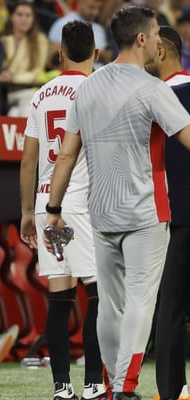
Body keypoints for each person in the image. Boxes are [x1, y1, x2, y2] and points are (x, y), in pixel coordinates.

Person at [44, 6, 190, 399]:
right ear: (142, 39)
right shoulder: (152, 89)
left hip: (101, 213)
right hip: (145, 213)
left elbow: (66, 154)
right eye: (155, 34)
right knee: (141, 301)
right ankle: (125, 387)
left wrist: (54, 210)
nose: (159, 41)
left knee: (110, 306)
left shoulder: (88, 86)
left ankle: (112, 388)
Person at [20, 21, 106, 400]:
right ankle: (94, 383)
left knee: (59, 297)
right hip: (80, 203)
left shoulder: (41, 95)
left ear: (59, 54)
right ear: (97, 54)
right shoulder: (97, 89)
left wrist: (27, 211)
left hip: (45, 203)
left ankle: (61, 387)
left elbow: (28, 159)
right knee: (98, 295)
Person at [145, 26, 190, 400]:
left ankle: (172, 392)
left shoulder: (153, 98)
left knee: (170, 309)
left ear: (161, 52)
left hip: (174, 216)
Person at [0, 1, 49, 117]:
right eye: (20, 15)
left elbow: (37, 70)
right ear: (11, 17)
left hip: (27, 89)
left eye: (28, 15)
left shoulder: (40, 40)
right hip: (3, 91)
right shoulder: (2, 39)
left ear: (33, 19)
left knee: (17, 112)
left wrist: (13, 78)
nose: (24, 19)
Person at [47, 0, 110, 70]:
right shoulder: (62, 24)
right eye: (91, 7)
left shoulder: (100, 29)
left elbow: (107, 58)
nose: (95, 12)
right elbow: (52, 58)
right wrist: (96, 54)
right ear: (80, 2)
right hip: (72, 74)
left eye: (99, 9)